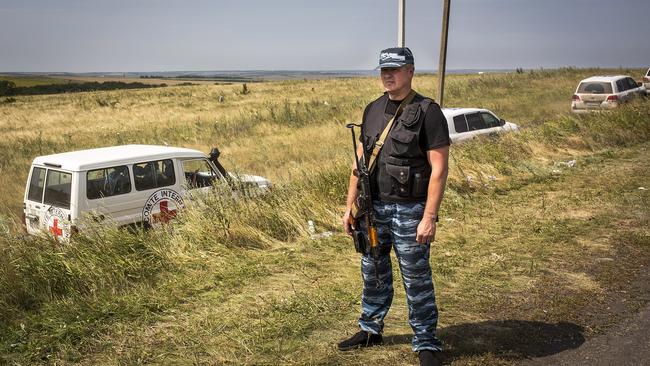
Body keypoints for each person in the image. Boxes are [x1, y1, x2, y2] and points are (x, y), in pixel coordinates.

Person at [338, 47, 450, 366]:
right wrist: (350, 208)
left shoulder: (428, 111)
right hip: (373, 209)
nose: (388, 75)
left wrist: (429, 217)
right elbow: (359, 164)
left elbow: (439, 169)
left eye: (395, 70)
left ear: (411, 71)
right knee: (372, 270)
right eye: (383, 70)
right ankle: (370, 329)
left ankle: (426, 342)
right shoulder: (372, 109)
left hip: (410, 210)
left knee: (415, 276)